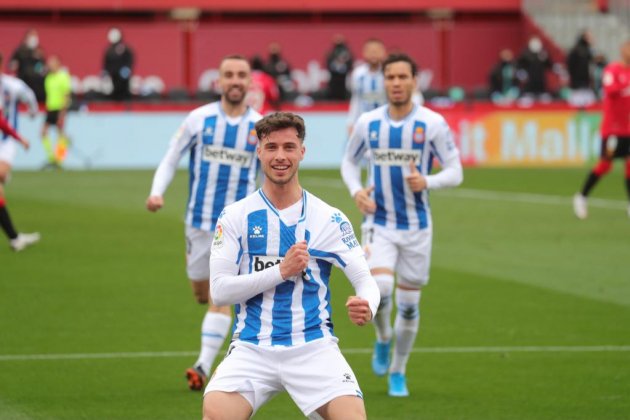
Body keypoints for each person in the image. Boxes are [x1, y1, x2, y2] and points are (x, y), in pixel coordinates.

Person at [203, 111, 380, 420]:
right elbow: (219, 292)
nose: (280, 156)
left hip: (313, 347)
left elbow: (365, 280)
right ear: (258, 151)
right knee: (216, 414)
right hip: (252, 348)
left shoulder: (330, 218)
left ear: (302, 152)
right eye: (271, 147)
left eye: (288, 147)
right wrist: (281, 271)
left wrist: (369, 305)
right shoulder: (235, 216)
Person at [341, 53, 463, 397]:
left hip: (417, 227)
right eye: (390, 77)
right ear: (384, 82)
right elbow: (348, 164)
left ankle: (398, 369)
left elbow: (455, 171)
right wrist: (356, 192)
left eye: (402, 77)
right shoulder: (368, 123)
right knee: (380, 289)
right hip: (378, 222)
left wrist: (428, 181)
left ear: (414, 81)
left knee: (409, 306)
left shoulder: (432, 124)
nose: (395, 83)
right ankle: (382, 337)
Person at [146, 55, 262, 391]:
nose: (236, 80)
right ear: (220, 82)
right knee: (201, 291)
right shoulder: (199, 119)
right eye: (229, 75)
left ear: (249, 82)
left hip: (238, 227)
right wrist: (157, 193)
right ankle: (215, 347)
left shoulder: (260, 126)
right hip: (197, 222)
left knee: (220, 296)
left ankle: (204, 363)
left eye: (242, 75)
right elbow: (171, 157)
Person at [573, 40, 630, 220]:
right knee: (605, 164)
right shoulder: (612, 70)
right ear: (623, 50)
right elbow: (609, 90)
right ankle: (581, 196)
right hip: (613, 129)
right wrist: (626, 88)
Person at [0, 53, 40, 252]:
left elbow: (29, 95)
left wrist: (18, 136)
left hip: (4, 142)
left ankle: (15, 239)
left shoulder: (11, 85)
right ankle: (15, 238)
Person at [347, 38, 387, 135]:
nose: (373, 53)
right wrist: (351, 122)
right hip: (363, 124)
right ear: (364, 53)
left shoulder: (388, 73)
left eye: (377, 50)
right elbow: (356, 99)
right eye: (370, 51)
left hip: (385, 123)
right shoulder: (358, 74)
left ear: (384, 52)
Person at [41, 55, 72, 169]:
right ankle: (52, 158)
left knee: (60, 134)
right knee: (43, 132)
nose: (49, 65)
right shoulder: (48, 78)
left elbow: (66, 95)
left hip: (60, 108)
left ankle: (59, 160)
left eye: (52, 63)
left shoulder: (63, 76)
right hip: (50, 109)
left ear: (58, 64)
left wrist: (62, 113)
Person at [9, 29, 46, 101]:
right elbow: (11, 65)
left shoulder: (39, 51)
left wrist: (43, 70)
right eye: (32, 35)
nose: (34, 38)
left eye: (35, 36)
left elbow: (42, 69)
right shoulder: (20, 51)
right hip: (23, 85)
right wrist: (14, 65)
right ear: (26, 37)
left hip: (36, 88)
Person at [103, 27, 134, 101]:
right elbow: (106, 63)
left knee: (124, 92)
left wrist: (127, 68)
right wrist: (106, 71)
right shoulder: (109, 51)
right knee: (114, 92)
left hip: (123, 78)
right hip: (113, 76)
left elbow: (130, 60)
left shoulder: (125, 49)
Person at [566, 30, 596, 107]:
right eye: (589, 37)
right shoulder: (576, 51)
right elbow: (570, 67)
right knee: (579, 107)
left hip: (585, 84)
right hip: (578, 86)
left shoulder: (588, 51)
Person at [326, 34, 354, 101]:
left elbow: (350, 65)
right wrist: (337, 65)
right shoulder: (331, 53)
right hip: (333, 81)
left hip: (344, 81)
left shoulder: (348, 53)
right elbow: (328, 65)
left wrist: (343, 65)